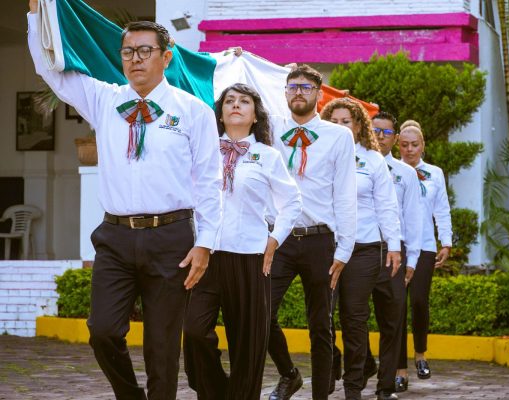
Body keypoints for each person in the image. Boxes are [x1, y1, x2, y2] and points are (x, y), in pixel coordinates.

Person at [28, 2, 222, 399]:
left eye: (145, 50)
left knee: (162, 349)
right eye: (128, 51)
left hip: (171, 239)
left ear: (166, 57)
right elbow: (51, 71)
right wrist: (37, 14)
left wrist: (205, 243)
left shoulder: (193, 111)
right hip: (115, 237)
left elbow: (209, 181)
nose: (135, 59)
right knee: (102, 331)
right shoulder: (104, 99)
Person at [182, 83, 302, 400]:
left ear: (255, 115)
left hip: (250, 257)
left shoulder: (268, 156)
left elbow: (292, 202)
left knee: (247, 345)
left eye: (244, 101)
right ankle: (218, 392)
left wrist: (275, 239)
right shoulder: (201, 151)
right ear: (220, 114)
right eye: (229, 101)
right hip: (207, 256)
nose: (236, 105)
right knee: (194, 331)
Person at [268, 65, 357, 400]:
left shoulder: (339, 137)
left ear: (319, 94)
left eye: (305, 87)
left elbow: (345, 194)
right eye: (292, 86)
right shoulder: (271, 128)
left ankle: (321, 395)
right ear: (285, 92)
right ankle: (289, 374)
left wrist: (344, 249)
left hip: (320, 240)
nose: (298, 92)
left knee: (321, 327)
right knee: (261, 314)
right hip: (279, 239)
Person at [321, 100, 402, 400]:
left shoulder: (372, 159)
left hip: (364, 248)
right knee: (323, 315)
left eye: (346, 121)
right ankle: (335, 364)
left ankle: (352, 386)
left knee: (353, 317)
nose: (340, 127)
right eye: (334, 121)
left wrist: (393, 245)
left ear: (358, 126)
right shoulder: (317, 155)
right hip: (326, 247)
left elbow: (386, 204)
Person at [364, 112, 423, 395]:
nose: (380, 136)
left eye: (387, 132)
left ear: (395, 138)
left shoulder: (405, 173)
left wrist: (412, 259)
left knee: (392, 320)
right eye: (375, 130)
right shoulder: (354, 164)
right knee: (353, 316)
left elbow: (413, 219)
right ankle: (364, 363)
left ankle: (386, 385)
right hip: (360, 249)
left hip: (393, 252)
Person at [396, 119, 452, 390]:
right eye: (405, 145)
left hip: (426, 247)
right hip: (397, 247)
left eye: (414, 145)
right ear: (398, 145)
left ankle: (420, 354)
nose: (409, 150)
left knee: (419, 301)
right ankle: (399, 369)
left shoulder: (435, 173)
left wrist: (446, 242)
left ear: (423, 146)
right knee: (396, 307)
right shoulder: (390, 171)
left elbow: (442, 209)